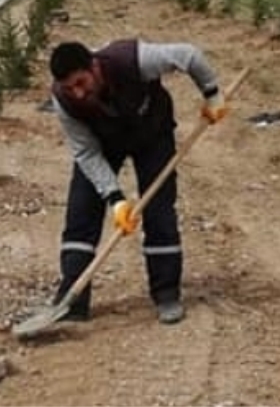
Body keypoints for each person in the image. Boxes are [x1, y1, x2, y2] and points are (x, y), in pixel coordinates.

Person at [46, 39, 229, 325]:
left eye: (81, 82)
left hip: (152, 132)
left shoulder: (134, 59)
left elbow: (189, 55)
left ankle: (166, 293)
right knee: (81, 210)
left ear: (93, 66)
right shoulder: (64, 101)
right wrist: (115, 198)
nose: (78, 93)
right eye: (70, 88)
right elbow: (86, 152)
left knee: (159, 209)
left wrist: (212, 93)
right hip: (104, 141)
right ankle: (73, 299)